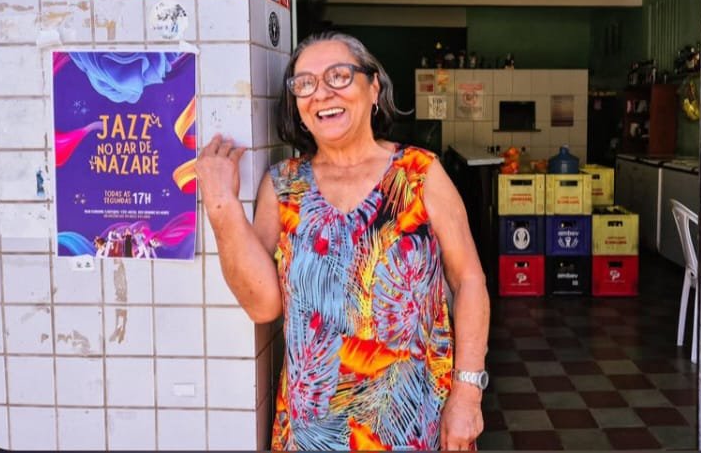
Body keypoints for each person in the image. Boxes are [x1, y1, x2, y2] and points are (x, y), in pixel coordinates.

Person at [195, 31, 490, 451]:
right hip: (314, 431)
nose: (321, 93)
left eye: (338, 76)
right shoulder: (283, 186)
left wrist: (468, 391)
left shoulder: (419, 173)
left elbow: (470, 282)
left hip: (415, 420)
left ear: (373, 89)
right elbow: (262, 305)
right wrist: (221, 203)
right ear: (297, 106)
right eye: (305, 83)